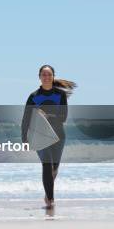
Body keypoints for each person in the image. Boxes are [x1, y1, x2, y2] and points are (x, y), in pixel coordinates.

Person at [21, 64, 76, 209]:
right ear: (39, 77)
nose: (46, 77)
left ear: (53, 76)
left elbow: (63, 117)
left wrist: (46, 115)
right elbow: (26, 117)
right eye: (43, 74)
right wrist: (24, 137)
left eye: (49, 74)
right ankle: (51, 200)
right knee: (47, 165)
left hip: (58, 135)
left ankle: (48, 192)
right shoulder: (34, 97)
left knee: (54, 169)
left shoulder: (60, 95)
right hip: (40, 136)